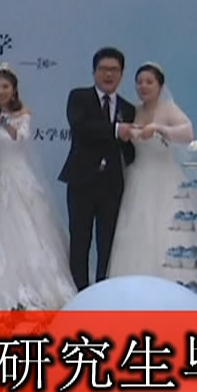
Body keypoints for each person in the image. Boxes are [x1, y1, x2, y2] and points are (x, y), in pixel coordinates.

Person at [0, 65, 77, 310]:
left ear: (14, 90)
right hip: (0, 180)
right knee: (2, 233)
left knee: (30, 230)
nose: (1, 91)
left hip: (20, 178)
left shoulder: (23, 113)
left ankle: (40, 289)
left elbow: (20, 138)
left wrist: (1, 121)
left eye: (5, 86)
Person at [60, 47, 136, 288]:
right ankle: (79, 292)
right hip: (81, 181)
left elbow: (129, 150)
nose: (108, 74)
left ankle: (103, 291)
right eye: (103, 69)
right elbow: (80, 127)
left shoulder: (128, 108)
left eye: (114, 70)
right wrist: (116, 130)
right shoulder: (79, 97)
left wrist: (142, 137)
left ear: (121, 74)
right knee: (80, 239)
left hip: (111, 185)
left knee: (108, 242)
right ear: (94, 72)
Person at [107, 63, 191, 279]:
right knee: (136, 231)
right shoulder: (132, 110)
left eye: (149, 82)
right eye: (139, 82)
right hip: (137, 179)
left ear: (160, 86)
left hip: (165, 180)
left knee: (165, 231)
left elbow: (187, 132)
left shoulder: (168, 108)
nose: (143, 86)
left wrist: (159, 128)